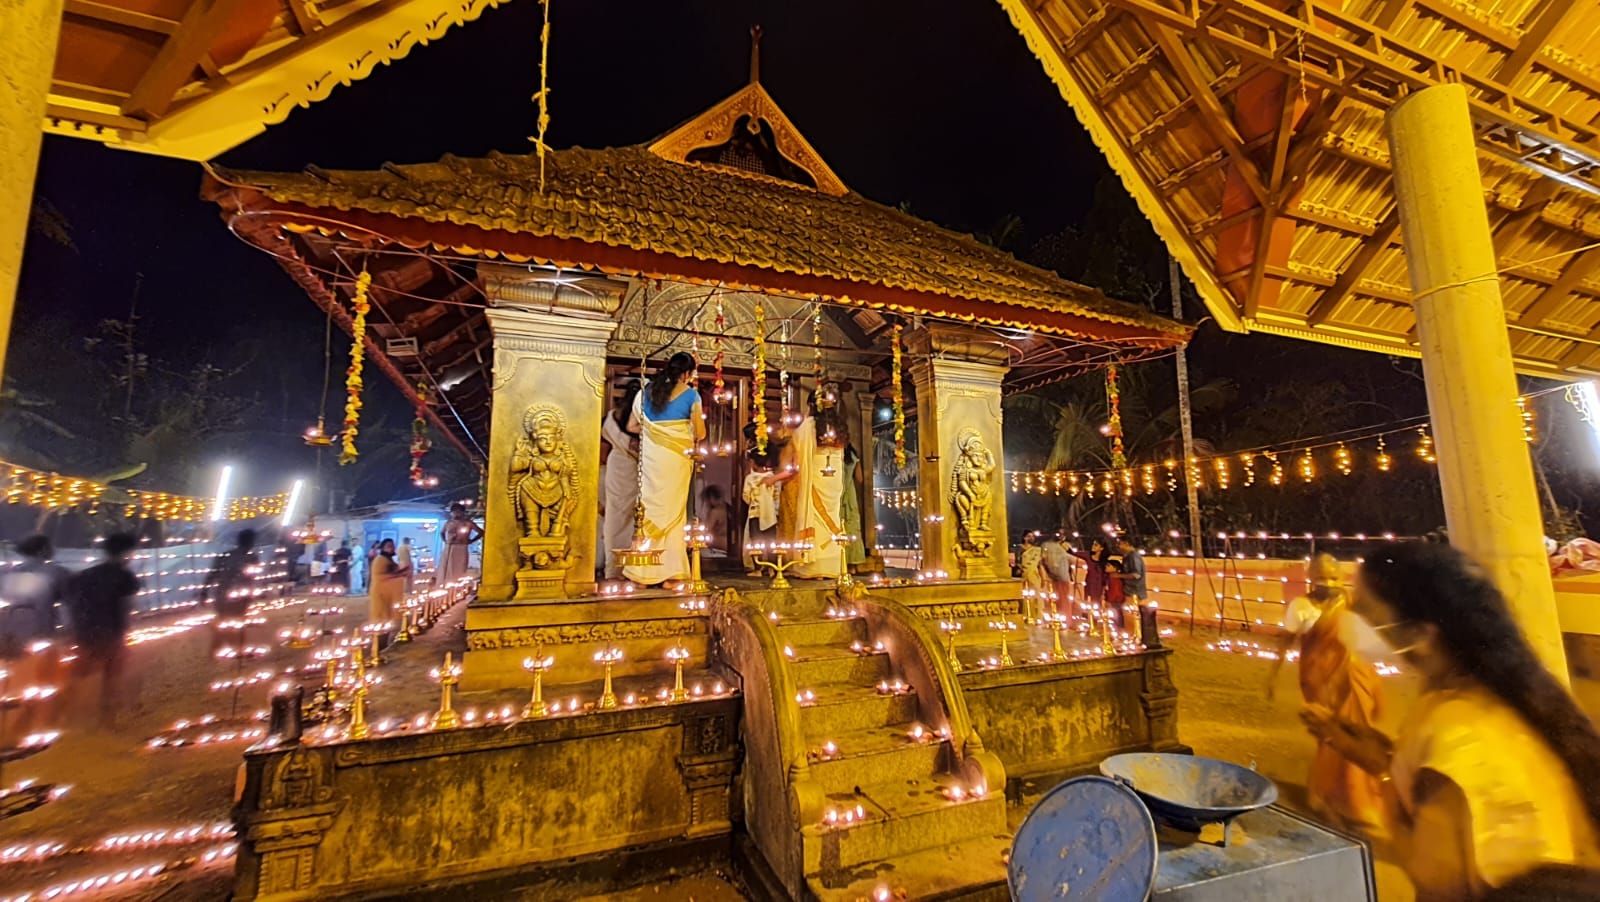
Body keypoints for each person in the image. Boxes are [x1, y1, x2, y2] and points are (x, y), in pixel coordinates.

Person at [1301, 543, 1600, 898]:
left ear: (1422, 635)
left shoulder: (1458, 731)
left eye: (1364, 610)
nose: (1350, 619)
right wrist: (1377, 758)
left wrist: (1385, 778)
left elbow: (1438, 882)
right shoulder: (1490, 695)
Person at [1266, 553, 1386, 834]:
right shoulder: (1300, 606)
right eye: (1321, 577)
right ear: (1310, 577)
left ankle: (1359, 803)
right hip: (1319, 681)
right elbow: (1286, 640)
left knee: (1358, 733)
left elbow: (1368, 638)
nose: (1328, 582)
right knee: (1331, 736)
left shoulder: (1352, 603)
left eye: (1334, 577)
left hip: (1355, 681)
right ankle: (1328, 797)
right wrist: (1272, 675)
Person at [623, 352, 704, 587]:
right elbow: (700, 433)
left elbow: (631, 426)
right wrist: (679, 435)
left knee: (649, 511)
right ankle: (671, 575)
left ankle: (642, 575)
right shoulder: (691, 395)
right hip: (675, 460)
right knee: (674, 512)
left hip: (651, 459)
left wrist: (656, 435)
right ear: (688, 373)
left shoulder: (645, 392)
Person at [767, 387, 847, 579]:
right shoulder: (840, 427)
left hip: (815, 477)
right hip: (833, 480)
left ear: (811, 406)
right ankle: (832, 566)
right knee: (832, 517)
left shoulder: (808, 427)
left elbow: (796, 462)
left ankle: (812, 567)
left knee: (814, 516)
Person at [68, 533, 141, 728]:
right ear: (126, 553)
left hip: (84, 631)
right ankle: (106, 722)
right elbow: (127, 607)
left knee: (81, 674)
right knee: (111, 677)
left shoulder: (84, 575)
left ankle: (69, 717)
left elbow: (73, 604)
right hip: (111, 632)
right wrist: (125, 631)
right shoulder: (125, 577)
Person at [0, 536, 70, 738]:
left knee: (13, 680)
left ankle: (15, 726)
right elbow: (65, 605)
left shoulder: (8, 573)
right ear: (42, 551)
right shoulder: (55, 573)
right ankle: (35, 725)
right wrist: (66, 629)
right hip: (39, 630)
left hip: (8, 631)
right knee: (44, 680)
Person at [601, 379, 643, 580]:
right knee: (637, 517)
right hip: (635, 467)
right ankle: (632, 569)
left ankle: (614, 568)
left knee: (616, 515)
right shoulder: (638, 417)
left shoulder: (612, 417)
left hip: (618, 466)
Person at [205, 529, 259, 654]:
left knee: (224, 620)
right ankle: (236, 647)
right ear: (250, 542)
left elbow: (213, 574)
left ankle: (220, 646)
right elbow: (251, 578)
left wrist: (205, 590)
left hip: (223, 594)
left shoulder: (226, 555)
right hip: (239, 595)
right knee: (238, 621)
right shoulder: (252, 558)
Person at [742, 434, 780, 575]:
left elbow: (746, 496)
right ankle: (772, 568)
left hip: (755, 513)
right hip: (770, 515)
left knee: (756, 541)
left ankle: (758, 569)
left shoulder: (750, 478)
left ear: (753, 463)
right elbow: (776, 495)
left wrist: (753, 500)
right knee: (771, 541)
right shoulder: (771, 477)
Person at [1113, 534, 1157, 647]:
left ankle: (1134, 637)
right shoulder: (1127, 556)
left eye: (1120, 543)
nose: (1118, 546)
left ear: (1127, 543)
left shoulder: (1134, 557)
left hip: (1135, 591)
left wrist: (1119, 576)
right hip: (1129, 590)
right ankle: (1132, 636)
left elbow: (1136, 575)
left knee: (1132, 616)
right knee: (1129, 615)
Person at [840, 443, 868, 570]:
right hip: (850, 492)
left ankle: (841, 562)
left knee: (839, 526)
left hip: (837, 490)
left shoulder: (835, 455)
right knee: (852, 526)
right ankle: (853, 563)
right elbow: (860, 478)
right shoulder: (853, 456)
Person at [440, 504, 483, 584]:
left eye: (458, 512)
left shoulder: (468, 523)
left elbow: (481, 532)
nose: (456, 514)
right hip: (449, 547)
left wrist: (471, 541)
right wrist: (445, 541)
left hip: (461, 547)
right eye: (454, 512)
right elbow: (442, 533)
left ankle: (458, 586)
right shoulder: (448, 523)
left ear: (463, 513)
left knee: (459, 568)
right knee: (446, 568)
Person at [367, 538, 409, 623]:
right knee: (381, 617)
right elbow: (380, 576)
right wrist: (400, 574)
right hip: (380, 593)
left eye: (393, 546)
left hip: (387, 593)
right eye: (389, 546)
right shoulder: (380, 560)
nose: (392, 548)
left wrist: (403, 571)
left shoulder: (388, 560)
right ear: (382, 549)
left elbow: (395, 571)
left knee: (387, 617)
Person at [698, 484, 730, 556]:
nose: (706, 503)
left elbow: (706, 529)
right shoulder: (728, 508)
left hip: (720, 543)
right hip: (729, 544)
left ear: (711, 498)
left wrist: (699, 524)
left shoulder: (715, 511)